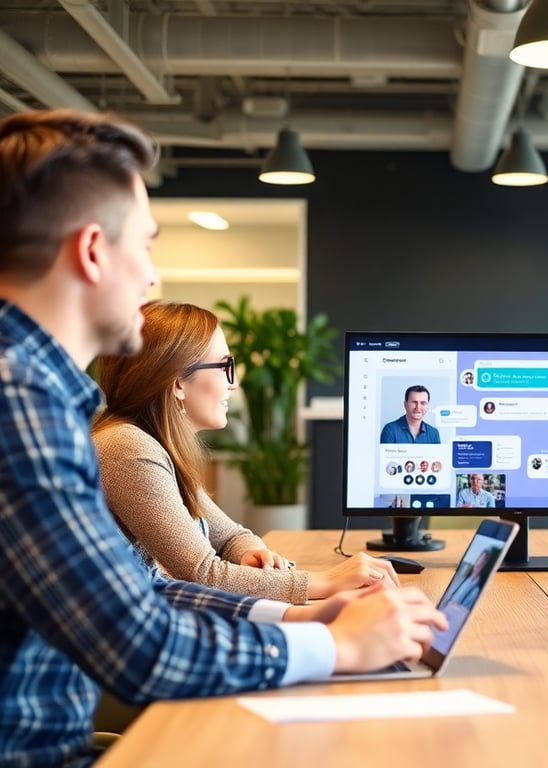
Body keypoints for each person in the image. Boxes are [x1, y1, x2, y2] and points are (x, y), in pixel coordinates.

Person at [0, 109, 447, 766]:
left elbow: (139, 596)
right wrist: (339, 646)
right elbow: (140, 645)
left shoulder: (43, 399)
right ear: (93, 251)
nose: (152, 277)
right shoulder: (22, 404)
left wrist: (307, 618)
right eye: (146, 245)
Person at [91, 301, 399, 604]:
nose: (235, 383)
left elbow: (228, 537)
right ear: (178, 384)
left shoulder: (156, 445)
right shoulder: (127, 448)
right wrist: (328, 580)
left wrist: (253, 552)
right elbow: (202, 574)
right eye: (225, 366)